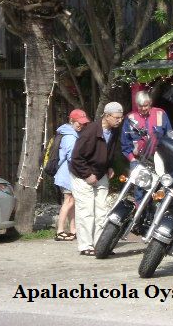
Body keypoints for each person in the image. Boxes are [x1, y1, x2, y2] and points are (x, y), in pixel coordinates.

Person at [70, 102, 123, 256]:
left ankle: (101, 244)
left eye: (121, 117)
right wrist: (87, 174)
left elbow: (110, 151)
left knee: (102, 210)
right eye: (117, 117)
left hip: (100, 173)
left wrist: (109, 166)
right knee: (86, 211)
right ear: (106, 116)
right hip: (81, 175)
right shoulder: (90, 131)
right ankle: (85, 245)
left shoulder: (114, 131)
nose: (119, 120)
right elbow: (76, 158)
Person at [121, 91, 172, 202]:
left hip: (158, 160)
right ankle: (139, 218)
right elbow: (125, 143)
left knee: (158, 193)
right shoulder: (130, 119)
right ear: (136, 105)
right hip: (139, 160)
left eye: (146, 105)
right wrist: (132, 160)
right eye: (140, 106)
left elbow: (169, 136)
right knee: (139, 193)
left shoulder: (160, 114)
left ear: (150, 103)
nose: (143, 108)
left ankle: (155, 217)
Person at [53, 109, 90, 241]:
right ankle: (60, 231)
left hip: (69, 173)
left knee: (72, 202)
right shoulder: (70, 136)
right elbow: (72, 157)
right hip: (67, 174)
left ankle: (73, 229)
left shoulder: (72, 133)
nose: (81, 125)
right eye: (78, 123)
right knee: (68, 201)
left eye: (83, 123)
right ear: (71, 121)